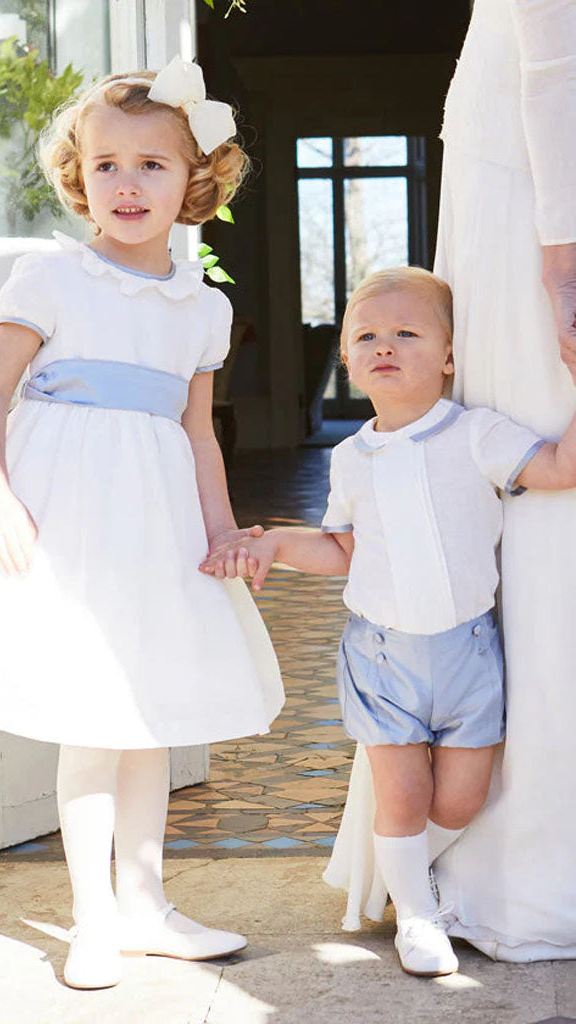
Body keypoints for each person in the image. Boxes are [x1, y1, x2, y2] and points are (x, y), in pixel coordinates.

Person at [0, 56, 283, 990]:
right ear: (81, 177)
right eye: (107, 164)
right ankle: (90, 920)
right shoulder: (53, 277)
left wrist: (222, 532)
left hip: (156, 526)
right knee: (89, 717)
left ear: (195, 181)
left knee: (147, 716)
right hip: (70, 520)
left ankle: (146, 905)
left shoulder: (202, 305)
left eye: (153, 165)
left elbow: (197, 431)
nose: (127, 183)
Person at [200, 266, 576, 976]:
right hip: (381, 655)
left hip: (468, 652)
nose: (385, 345)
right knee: (402, 795)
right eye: (367, 335)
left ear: (449, 357)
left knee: (462, 799)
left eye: (407, 332)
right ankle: (419, 919)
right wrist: (276, 544)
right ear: (346, 358)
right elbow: (343, 548)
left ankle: (401, 875)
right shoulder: (350, 458)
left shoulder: (474, 434)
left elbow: (558, 467)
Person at [429, 0, 576, 961]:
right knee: (545, 516)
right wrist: (563, 262)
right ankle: (531, 865)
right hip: (539, 179)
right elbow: (554, 56)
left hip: (534, 164)